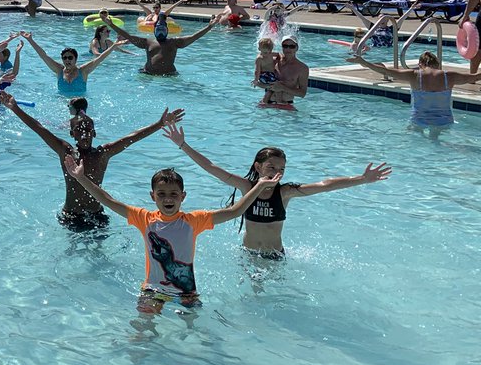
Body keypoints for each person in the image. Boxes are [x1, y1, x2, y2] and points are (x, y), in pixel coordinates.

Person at [62, 157, 280, 313]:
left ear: (183, 196)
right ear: (153, 196)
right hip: (152, 291)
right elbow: (108, 201)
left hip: (187, 293)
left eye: (174, 194)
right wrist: (81, 178)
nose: (168, 199)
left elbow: (235, 211)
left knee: (194, 338)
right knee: (141, 331)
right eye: (162, 194)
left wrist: (260, 186)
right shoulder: (143, 218)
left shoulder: (193, 221)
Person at [163, 120, 393, 255]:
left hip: (275, 256)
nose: (276, 172)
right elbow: (212, 168)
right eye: (271, 167)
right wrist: (183, 145)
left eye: (281, 168)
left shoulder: (285, 192)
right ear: (258, 166)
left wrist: (361, 179)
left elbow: (325, 185)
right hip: (249, 254)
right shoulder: (246, 187)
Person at [1, 93, 184, 231]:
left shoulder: (102, 154)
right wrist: (15, 108)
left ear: (94, 133)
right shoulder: (66, 151)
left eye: (88, 129)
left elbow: (132, 138)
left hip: (97, 215)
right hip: (71, 215)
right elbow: (39, 129)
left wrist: (159, 124)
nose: (84, 133)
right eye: (79, 130)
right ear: (72, 134)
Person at [349, 50, 481, 136]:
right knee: (436, 142)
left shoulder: (414, 75)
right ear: (437, 64)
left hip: (419, 121)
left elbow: (386, 72)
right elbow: (475, 76)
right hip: (444, 121)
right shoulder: (449, 76)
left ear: (420, 64)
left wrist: (363, 62)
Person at [100, 8, 218, 76]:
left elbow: (194, 37)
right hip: (148, 74)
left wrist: (209, 27)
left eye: (163, 30)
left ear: (167, 31)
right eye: (158, 30)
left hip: (169, 76)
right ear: (154, 31)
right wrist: (111, 24)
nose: (161, 33)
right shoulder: (147, 42)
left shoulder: (174, 42)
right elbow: (128, 36)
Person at [21, 30, 117, 96]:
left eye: (70, 58)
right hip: (62, 104)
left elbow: (100, 58)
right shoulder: (59, 70)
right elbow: (43, 56)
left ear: (75, 59)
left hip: (80, 106)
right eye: (65, 58)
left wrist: (114, 45)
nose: (67, 60)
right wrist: (30, 40)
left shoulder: (83, 71)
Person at [260, 36, 309, 108]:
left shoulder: (302, 68)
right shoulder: (273, 62)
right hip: (267, 103)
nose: (288, 49)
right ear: (282, 47)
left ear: (297, 48)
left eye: (291, 46)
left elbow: (302, 93)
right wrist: (268, 86)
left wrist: (282, 88)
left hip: (285, 105)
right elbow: (260, 80)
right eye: (285, 46)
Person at [253, 37, 281, 106]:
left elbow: (278, 54)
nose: (267, 54)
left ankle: (268, 100)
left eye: (270, 52)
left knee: (271, 88)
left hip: (271, 75)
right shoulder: (259, 59)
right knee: (274, 86)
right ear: (259, 49)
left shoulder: (270, 54)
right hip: (264, 75)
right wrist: (256, 80)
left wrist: (278, 61)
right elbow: (257, 70)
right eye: (265, 52)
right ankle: (266, 101)